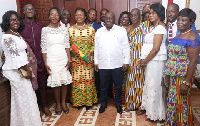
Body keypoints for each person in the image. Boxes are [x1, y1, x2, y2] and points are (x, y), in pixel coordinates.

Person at [1, 10, 42, 125]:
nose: (16, 21)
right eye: (12, 20)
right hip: (17, 73)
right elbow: (14, 56)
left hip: (22, 70)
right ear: (7, 22)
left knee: (28, 99)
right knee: (22, 101)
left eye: (17, 19)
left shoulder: (16, 34)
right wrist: (27, 69)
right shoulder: (8, 36)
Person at [164, 8, 200, 126]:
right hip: (174, 76)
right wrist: (168, 75)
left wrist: (186, 82)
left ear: (191, 21)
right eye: (179, 20)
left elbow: (193, 61)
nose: (180, 22)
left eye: (183, 20)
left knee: (181, 103)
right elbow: (171, 58)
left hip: (184, 76)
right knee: (172, 102)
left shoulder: (192, 37)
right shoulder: (177, 36)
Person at [19, 2, 52, 116]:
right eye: (27, 9)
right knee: (30, 85)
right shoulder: (20, 26)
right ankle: (34, 108)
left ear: (35, 11)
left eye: (32, 9)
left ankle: (44, 106)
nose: (30, 11)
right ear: (23, 12)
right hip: (27, 62)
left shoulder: (40, 26)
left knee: (43, 84)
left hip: (40, 60)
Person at [94, 12, 130, 114]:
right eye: (107, 18)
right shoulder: (99, 32)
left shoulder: (121, 30)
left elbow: (126, 47)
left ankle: (118, 104)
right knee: (103, 86)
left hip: (117, 64)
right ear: (104, 20)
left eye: (111, 18)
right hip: (103, 64)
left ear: (114, 20)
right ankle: (104, 103)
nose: (108, 20)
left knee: (118, 85)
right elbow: (96, 48)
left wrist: (126, 61)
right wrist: (96, 62)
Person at [41, 7, 72, 115]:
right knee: (56, 83)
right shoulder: (44, 30)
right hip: (52, 59)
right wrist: (45, 63)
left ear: (59, 17)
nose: (54, 17)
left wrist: (69, 59)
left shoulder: (64, 29)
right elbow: (44, 48)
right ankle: (58, 104)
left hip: (63, 57)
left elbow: (67, 45)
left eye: (56, 15)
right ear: (49, 16)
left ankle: (63, 103)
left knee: (64, 81)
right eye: (52, 14)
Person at [138, 3, 167, 121]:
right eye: (149, 13)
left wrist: (144, 61)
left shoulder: (160, 28)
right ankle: (150, 110)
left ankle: (155, 114)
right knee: (150, 85)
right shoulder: (154, 27)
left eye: (153, 13)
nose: (150, 15)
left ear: (159, 14)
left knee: (155, 86)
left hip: (156, 61)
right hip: (151, 61)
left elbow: (156, 49)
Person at [68, 7, 98, 110]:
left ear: (85, 17)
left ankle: (88, 102)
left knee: (88, 80)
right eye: (76, 15)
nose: (78, 16)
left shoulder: (91, 29)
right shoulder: (70, 30)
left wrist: (90, 52)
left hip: (87, 60)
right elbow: (67, 45)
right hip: (76, 61)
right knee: (77, 81)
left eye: (81, 15)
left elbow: (95, 44)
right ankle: (78, 102)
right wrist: (71, 51)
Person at [124, 8, 150, 112]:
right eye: (132, 15)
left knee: (141, 82)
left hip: (142, 58)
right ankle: (130, 105)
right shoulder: (128, 28)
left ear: (140, 16)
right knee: (131, 82)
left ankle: (141, 106)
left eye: (136, 15)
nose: (133, 17)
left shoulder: (146, 26)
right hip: (131, 58)